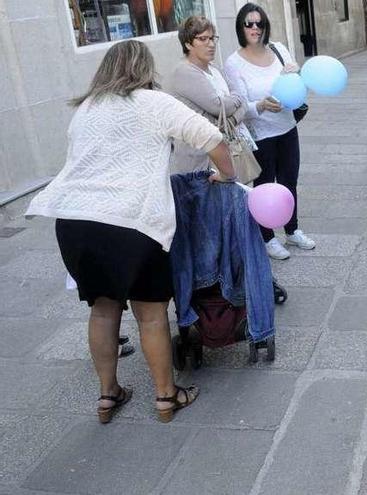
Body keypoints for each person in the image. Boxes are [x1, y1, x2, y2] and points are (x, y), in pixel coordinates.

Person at [26, 40, 237, 424]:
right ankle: (165, 398)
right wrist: (227, 174)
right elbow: (212, 138)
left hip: (75, 222)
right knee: (151, 314)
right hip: (132, 222)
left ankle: (109, 395)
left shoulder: (86, 108)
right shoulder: (153, 103)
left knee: (103, 311)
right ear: (144, 69)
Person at [224, 3, 316, 260]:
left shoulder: (279, 49)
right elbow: (240, 105)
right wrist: (262, 105)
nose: (255, 28)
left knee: (289, 181)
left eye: (260, 23)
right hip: (260, 133)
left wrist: (296, 74)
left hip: (287, 126)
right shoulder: (234, 63)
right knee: (264, 186)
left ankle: (292, 229)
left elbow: (295, 84)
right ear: (241, 28)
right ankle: (267, 238)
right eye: (249, 24)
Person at [167, 16, 253, 174]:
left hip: (227, 153)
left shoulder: (215, 69)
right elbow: (218, 107)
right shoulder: (184, 72)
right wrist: (234, 102)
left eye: (213, 38)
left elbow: (244, 102)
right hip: (201, 163)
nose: (211, 44)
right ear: (187, 44)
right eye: (203, 39)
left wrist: (231, 119)